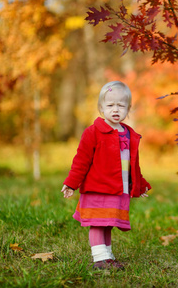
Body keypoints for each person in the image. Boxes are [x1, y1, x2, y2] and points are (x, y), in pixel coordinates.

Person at [61, 81, 151, 270]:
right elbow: (81, 160)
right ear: (101, 107)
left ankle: (107, 257)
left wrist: (140, 185)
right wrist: (71, 183)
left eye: (121, 105)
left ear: (128, 108)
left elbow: (133, 164)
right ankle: (99, 258)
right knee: (98, 223)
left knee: (108, 222)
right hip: (98, 187)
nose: (115, 110)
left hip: (118, 189)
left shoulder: (128, 134)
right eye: (110, 105)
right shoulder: (93, 132)